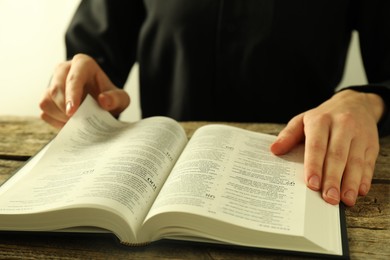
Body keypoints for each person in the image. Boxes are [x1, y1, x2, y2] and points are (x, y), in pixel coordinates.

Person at [39, 0, 390, 207]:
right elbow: (95, 57)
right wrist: (84, 92)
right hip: (154, 187)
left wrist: (366, 100)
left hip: (300, 183)